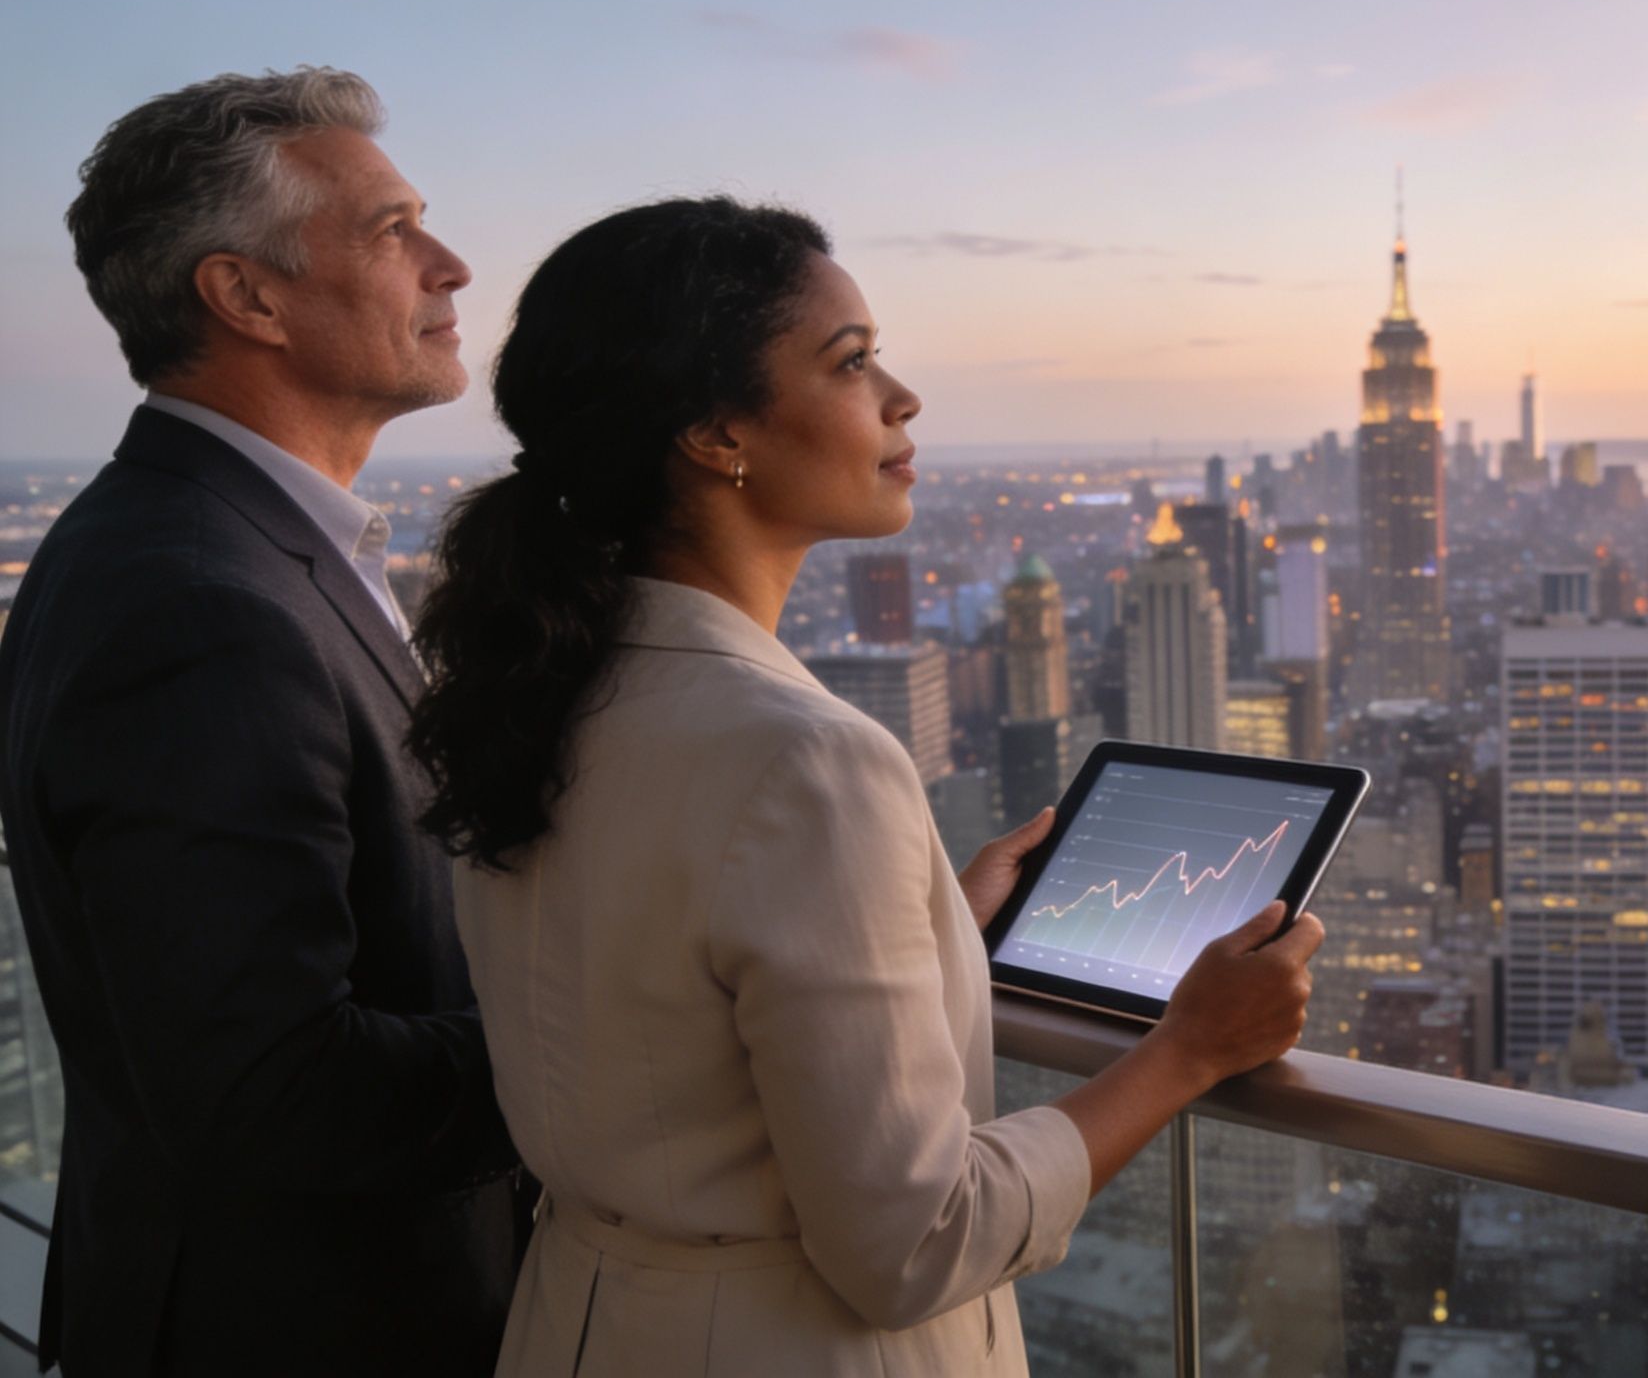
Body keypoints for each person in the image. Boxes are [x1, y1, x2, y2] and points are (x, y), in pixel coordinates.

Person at [405, 194, 1323, 1376]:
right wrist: (1187, 1052)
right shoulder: (803, 756)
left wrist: (929, 919)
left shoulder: (539, 689)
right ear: (714, 432)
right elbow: (913, 1242)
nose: (902, 397)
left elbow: (669, 999)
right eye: (850, 362)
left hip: (582, 1323)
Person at [0, 68, 523, 1374]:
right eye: (395, 229)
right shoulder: (190, 597)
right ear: (246, 295)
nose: (451, 266)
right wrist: (627, 1047)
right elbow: (268, 1082)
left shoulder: (225, 546)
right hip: (306, 1330)